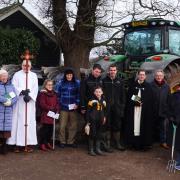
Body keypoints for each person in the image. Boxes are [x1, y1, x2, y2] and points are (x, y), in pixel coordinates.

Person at [7, 60, 38, 152]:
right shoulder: (17, 75)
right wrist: (22, 92)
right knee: (18, 122)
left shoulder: (33, 75)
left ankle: (28, 143)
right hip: (19, 102)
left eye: (28, 66)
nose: (26, 67)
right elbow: (14, 86)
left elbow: (35, 88)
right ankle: (17, 144)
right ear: (22, 66)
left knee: (29, 122)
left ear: (30, 66)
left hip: (29, 103)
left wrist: (30, 95)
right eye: (24, 65)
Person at [125, 69, 153, 150]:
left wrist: (142, 102)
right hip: (134, 109)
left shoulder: (148, 86)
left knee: (142, 125)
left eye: (143, 75)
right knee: (134, 125)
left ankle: (143, 144)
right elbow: (130, 96)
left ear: (145, 76)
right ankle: (133, 144)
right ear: (138, 75)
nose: (141, 76)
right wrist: (138, 102)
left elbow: (150, 98)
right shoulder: (133, 85)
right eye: (140, 74)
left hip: (144, 110)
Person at [102, 64, 126, 151]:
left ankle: (117, 143)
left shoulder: (120, 81)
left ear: (116, 71)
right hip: (107, 108)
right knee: (107, 125)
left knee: (117, 125)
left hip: (117, 107)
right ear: (108, 71)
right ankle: (107, 144)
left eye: (114, 70)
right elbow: (101, 94)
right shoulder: (104, 81)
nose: (112, 72)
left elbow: (123, 95)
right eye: (111, 70)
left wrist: (122, 106)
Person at [56, 68, 80, 148]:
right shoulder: (61, 83)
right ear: (65, 75)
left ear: (72, 75)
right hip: (63, 107)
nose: (69, 76)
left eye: (70, 75)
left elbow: (79, 94)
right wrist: (60, 103)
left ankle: (70, 141)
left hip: (73, 107)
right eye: (67, 75)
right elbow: (57, 94)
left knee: (73, 125)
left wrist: (77, 103)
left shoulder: (77, 83)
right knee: (62, 125)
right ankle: (62, 141)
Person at [37, 79, 60, 151]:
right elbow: (42, 104)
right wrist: (50, 108)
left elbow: (57, 103)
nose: (50, 86)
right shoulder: (43, 94)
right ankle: (42, 144)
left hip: (52, 115)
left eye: (51, 85)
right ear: (45, 85)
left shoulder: (54, 93)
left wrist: (57, 109)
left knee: (50, 130)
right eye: (48, 85)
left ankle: (47, 142)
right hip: (46, 114)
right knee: (44, 130)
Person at [151, 69, 171, 149]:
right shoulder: (150, 85)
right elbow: (145, 97)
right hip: (153, 110)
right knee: (151, 126)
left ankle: (163, 142)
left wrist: (168, 109)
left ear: (163, 77)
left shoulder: (167, 86)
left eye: (160, 76)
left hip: (163, 110)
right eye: (157, 76)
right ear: (155, 76)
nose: (159, 77)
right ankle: (150, 141)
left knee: (163, 127)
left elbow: (169, 99)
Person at [85, 86, 106, 156]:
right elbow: (88, 111)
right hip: (93, 120)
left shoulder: (103, 101)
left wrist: (104, 117)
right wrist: (88, 121)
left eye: (99, 92)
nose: (98, 93)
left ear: (102, 92)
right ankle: (91, 149)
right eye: (96, 92)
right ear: (94, 92)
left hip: (100, 120)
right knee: (92, 134)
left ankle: (98, 149)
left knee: (99, 134)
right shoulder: (92, 101)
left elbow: (104, 110)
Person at [0, 69, 17, 154]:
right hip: (0, 110)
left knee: (6, 131)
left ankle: (4, 147)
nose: (4, 77)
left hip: (8, 111)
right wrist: (5, 100)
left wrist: (10, 102)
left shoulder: (11, 86)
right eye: (2, 76)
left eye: (5, 76)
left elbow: (15, 97)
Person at [168, 84, 180, 171]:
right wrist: (171, 117)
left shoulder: (165, 87)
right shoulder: (174, 95)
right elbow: (169, 107)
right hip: (137, 109)